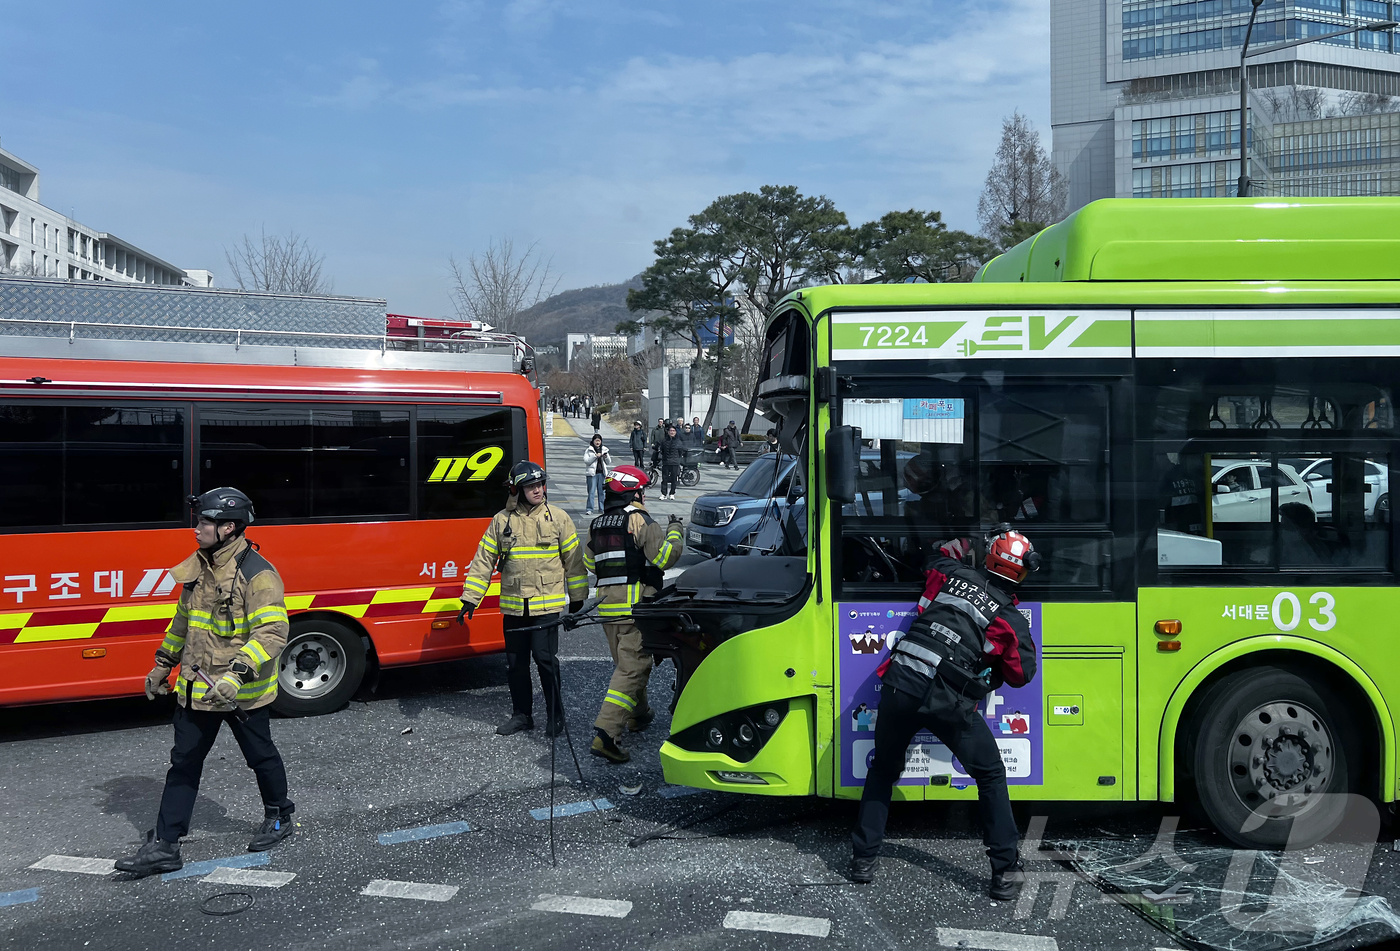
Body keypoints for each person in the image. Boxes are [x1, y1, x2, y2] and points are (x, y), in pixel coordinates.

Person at [849, 526, 1040, 900]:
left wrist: (968, 540)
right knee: (989, 774)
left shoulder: (952, 574)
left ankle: (862, 861)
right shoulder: (1008, 616)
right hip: (946, 699)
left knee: (883, 770)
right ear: (1023, 572)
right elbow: (1022, 674)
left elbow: (935, 557)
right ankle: (1004, 873)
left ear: (987, 558)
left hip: (900, 681)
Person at [115, 488, 294, 877]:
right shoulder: (199, 569)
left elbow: (273, 633)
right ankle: (165, 845)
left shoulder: (258, 574)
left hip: (240, 694)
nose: (196, 530)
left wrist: (238, 674)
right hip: (197, 690)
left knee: (260, 757)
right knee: (183, 763)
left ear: (229, 527)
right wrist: (163, 664)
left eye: (204, 522)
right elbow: (183, 623)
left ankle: (280, 815)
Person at [458, 461, 588, 737]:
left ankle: (555, 716)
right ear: (517, 489)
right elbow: (484, 560)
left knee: (545, 660)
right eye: (531, 486)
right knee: (516, 665)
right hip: (515, 606)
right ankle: (522, 716)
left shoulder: (559, 518)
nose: (539, 490)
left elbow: (574, 563)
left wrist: (577, 600)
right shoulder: (502, 520)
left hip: (546, 605)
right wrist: (471, 597)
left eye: (541, 484)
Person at [583, 466, 685, 762]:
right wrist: (676, 532)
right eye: (642, 490)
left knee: (626, 663)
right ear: (634, 492)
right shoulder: (639, 520)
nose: (644, 495)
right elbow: (664, 558)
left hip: (608, 608)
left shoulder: (597, 524)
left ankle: (638, 715)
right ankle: (606, 734)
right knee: (633, 669)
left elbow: (591, 563)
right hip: (636, 609)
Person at [583, 433, 611, 515]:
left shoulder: (604, 449)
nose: (598, 442)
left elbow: (609, 462)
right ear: (593, 441)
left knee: (602, 492)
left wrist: (606, 457)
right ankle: (589, 509)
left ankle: (602, 508)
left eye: (599, 441)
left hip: (602, 473)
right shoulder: (589, 450)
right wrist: (595, 456)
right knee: (591, 492)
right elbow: (586, 461)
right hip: (592, 474)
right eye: (596, 441)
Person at [658, 424, 685, 500]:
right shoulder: (664, 440)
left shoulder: (678, 441)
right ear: (668, 432)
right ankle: (663, 494)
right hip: (666, 462)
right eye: (670, 431)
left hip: (675, 462)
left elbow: (680, 452)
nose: (672, 432)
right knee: (664, 479)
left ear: (676, 432)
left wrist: (677, 459)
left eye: (673, 431)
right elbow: (662, 450)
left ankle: (672, 493)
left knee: (674, 479)